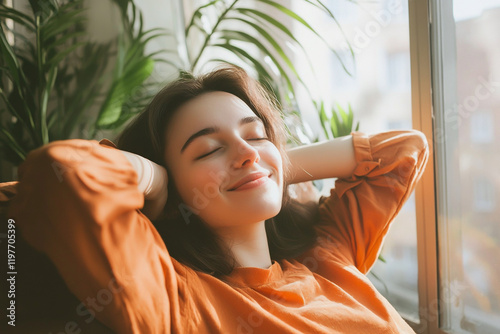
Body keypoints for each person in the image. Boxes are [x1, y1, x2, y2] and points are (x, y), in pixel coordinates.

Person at [8, 66, 429, 333]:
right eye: (208, 150)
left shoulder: (328, 252)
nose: (246, 152)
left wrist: (273, 165)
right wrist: (157, 183)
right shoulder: (179, 302)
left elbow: (403, 151)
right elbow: (61, 173)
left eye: (254, 134)